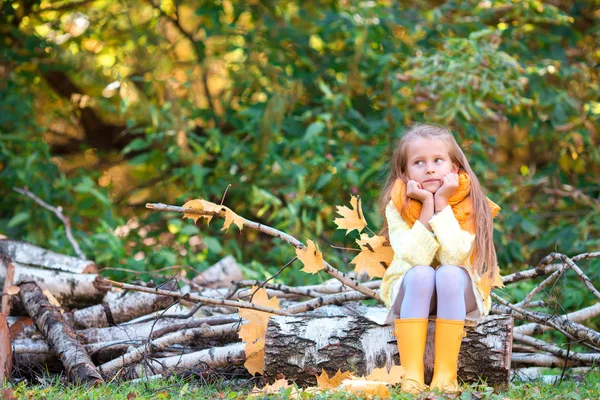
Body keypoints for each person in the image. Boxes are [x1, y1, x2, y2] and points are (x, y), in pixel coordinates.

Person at [377, 123, 502, 394]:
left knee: (447, 273)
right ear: (404, 172)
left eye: (437, 161)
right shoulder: (398, 204)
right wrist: (427, 206)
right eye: (419, 162)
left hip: (457, 291)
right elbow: (417, 258)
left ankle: (446, 374)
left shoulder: (471, 202)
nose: (430, 168)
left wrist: (442, 204)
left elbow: (455, 257)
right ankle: (412, 375)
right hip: (411, 290)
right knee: (424, 274)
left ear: (454, 167)